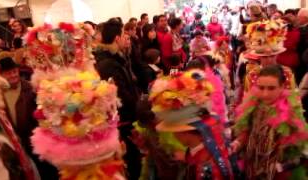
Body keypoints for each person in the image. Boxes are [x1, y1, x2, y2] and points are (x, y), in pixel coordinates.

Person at [150, 70, 234, 179]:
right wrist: (186, 157)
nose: (174, 135)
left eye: (174, 131)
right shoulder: (214, 144)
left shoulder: (207, 168)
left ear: (184, 132)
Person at [232, 65, 308, 180]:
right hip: (252, 168)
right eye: (261, 88)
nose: (265, 94)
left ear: (282, 86)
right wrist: (237, 142)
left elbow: (299, 151)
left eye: (271, 88)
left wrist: (283, 167)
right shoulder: (253, 104)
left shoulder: (291, 111)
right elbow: (246, 130)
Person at [93, 18, 141, 180]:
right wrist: (137, 107)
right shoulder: (108, 64)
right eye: (123, 34)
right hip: (123, 120)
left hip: (128, 116)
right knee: (131, 161)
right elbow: (120, 94)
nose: (125, 36)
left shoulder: (115, 59)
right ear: (116, 38)